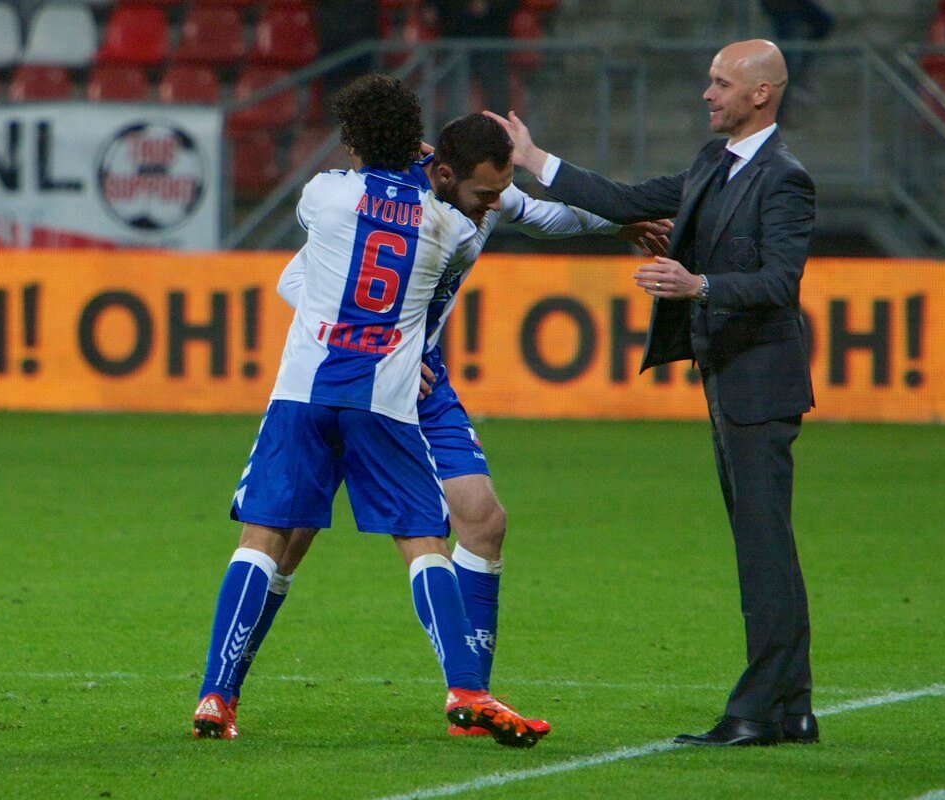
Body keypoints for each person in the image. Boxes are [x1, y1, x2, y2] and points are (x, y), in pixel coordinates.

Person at [224, 112, 671, 740]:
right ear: (442, 174)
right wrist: (374, 340)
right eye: (485, 195)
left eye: (498, 194)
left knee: (483, 521)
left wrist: (618, 222)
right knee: (291, 540)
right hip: (367, 375)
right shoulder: (372, 201)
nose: (494, 207)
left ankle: (472, 699)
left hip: (421, 381)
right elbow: (293, 276)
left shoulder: (479, 196)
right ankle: (225, 689)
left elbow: (549, 216)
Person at [191, 76, 546, 749]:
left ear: (351, 140)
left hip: (303, 392)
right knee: (421, 542)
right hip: (385, 400)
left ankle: (216, 695)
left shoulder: (324, 195)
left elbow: (313, 261)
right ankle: (466, 686)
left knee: (263, 538)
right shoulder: (453, 231)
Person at [487, 38, 818, 747]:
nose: (708, 93)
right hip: (729, 377)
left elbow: (780, 281)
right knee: (765, 547)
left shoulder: (784, 179)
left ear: (761, 94)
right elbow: (628, 201)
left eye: (722, 83)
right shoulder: (712, 163)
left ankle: (759, 711)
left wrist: (697, 285)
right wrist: (534, 160)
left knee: (763, 549)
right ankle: (791, 707)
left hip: (760, 383)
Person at [757, 0, 832, 111]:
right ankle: (779, 113)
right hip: (779, 5)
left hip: (796, 4)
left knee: (824, 23)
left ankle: (802, 68)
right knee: (788, 56)